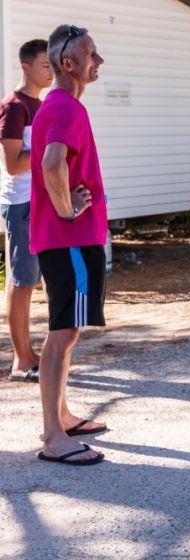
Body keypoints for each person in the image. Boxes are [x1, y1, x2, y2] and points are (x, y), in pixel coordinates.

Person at [30, 25, 108, 465]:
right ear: (68, 64)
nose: (99, 62)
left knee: (67, 330)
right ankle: (53, 436)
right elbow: (50, 163)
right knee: (62, 334)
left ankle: (61, 416)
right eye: (92, 55)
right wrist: (67, 211)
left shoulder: (59, 105)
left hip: (67, 240)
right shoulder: (65, 108)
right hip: (70, 239)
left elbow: (53, 163)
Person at [0, 39, 53, 383]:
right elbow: (13, 163)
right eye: (45, 65)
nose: (51, 70)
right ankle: (21, 361)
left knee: (30, 281)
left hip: (39, 202)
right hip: (21, 204)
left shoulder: (42, 103)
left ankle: (28, 354)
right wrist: (51, 152)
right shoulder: (13, 106)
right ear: (26, 67)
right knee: (22, 283)